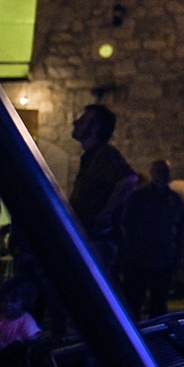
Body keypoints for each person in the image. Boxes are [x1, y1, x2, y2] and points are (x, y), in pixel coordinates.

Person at [68, 103, 138, 275]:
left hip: (98, 242)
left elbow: (129, 179)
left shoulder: (104, 155)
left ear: (95, 128)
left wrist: (103, 214)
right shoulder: (92, 157)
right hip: (92, 239)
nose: (75, 123)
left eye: (83, 120)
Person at [119, 160, 184, 319]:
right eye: (159, 171)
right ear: (152, 173)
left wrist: (178, 255)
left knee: (158, 301)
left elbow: (181, 229)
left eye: (165, 172)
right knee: (135, 300)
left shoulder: (173, 199)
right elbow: (128, 226)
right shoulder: (139, 197)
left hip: (162, 256)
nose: (162, 175)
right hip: (141, 256)